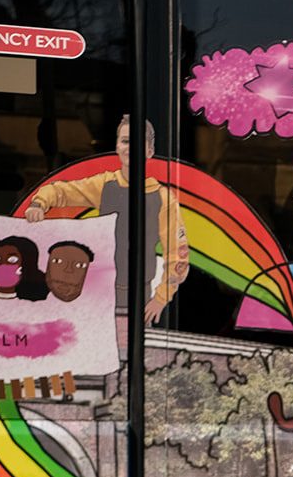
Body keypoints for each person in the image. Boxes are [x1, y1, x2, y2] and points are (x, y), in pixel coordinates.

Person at [22, 115, 187, 324]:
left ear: (149, 151)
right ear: (117, 147)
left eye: (138, 142)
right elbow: (60, 191)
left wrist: (161, 299)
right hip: (98, 294)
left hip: (139, 299)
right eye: (125, 141)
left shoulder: (164, 198)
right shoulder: (105, 184)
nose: (130, 148)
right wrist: (39, 204)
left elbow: (178, 254)